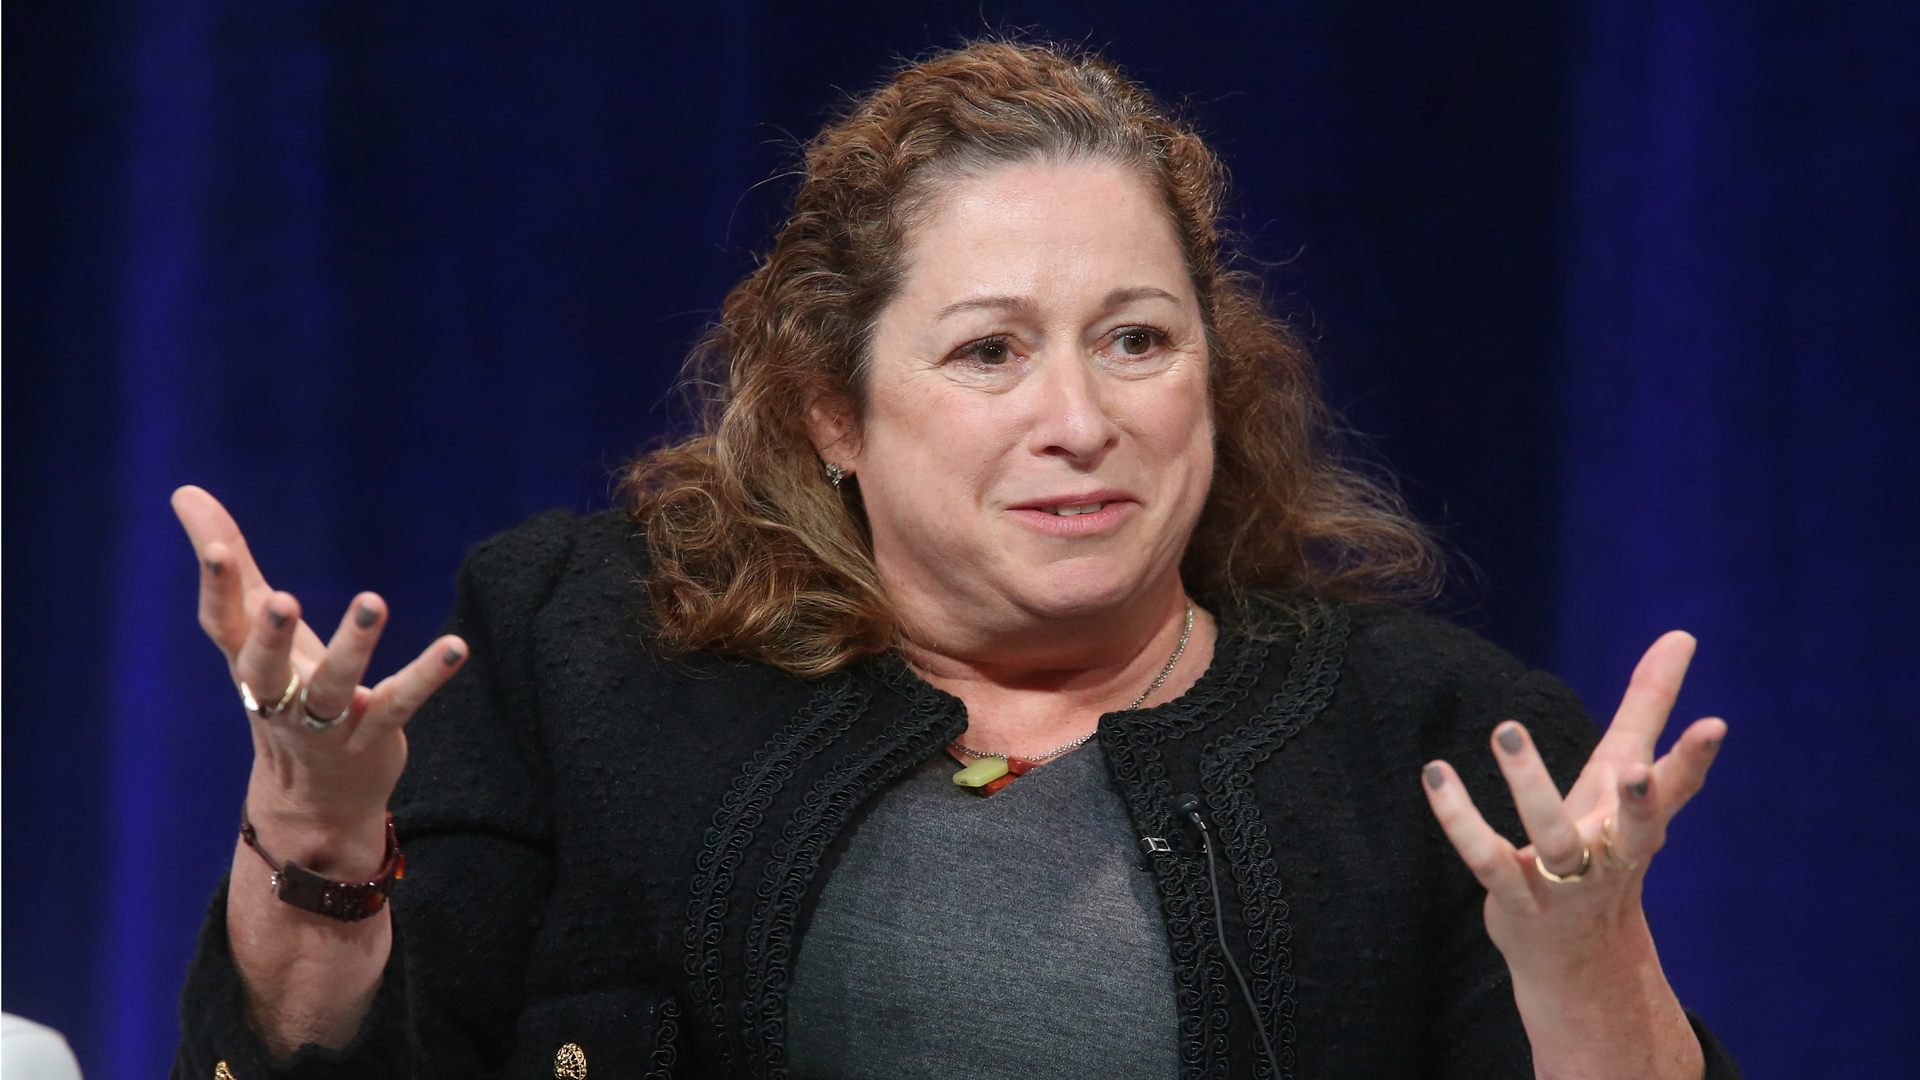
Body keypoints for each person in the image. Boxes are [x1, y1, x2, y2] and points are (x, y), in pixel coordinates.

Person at [169, 39, 1741, 1080]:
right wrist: (314, 843)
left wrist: (1584, 965)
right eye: (991, 352)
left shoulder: (1435, 741)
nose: (1081, 418)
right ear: (829, 408)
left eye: (1136, 339)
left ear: (1216, 370)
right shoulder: (574, 652)